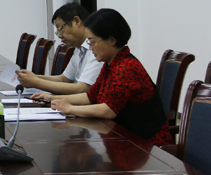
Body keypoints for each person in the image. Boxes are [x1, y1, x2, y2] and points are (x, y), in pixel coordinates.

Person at [44, 8, 172, 146]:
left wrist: (70, 108)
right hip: (123, 137)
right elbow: (90, 97)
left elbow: (108, 110)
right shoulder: (110, 64)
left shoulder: (126, 67)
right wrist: (53, 99)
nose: (90, 48)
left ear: (111, 40)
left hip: (146, 144)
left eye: (93, 42)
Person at [17, 2, 103, 96]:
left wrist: (36, 82)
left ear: (77, 21)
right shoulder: (79, 49)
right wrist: (33, 77)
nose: (60, 35)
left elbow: (82, 89)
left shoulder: (96, 49)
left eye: (61, 29)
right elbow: (64, 79)